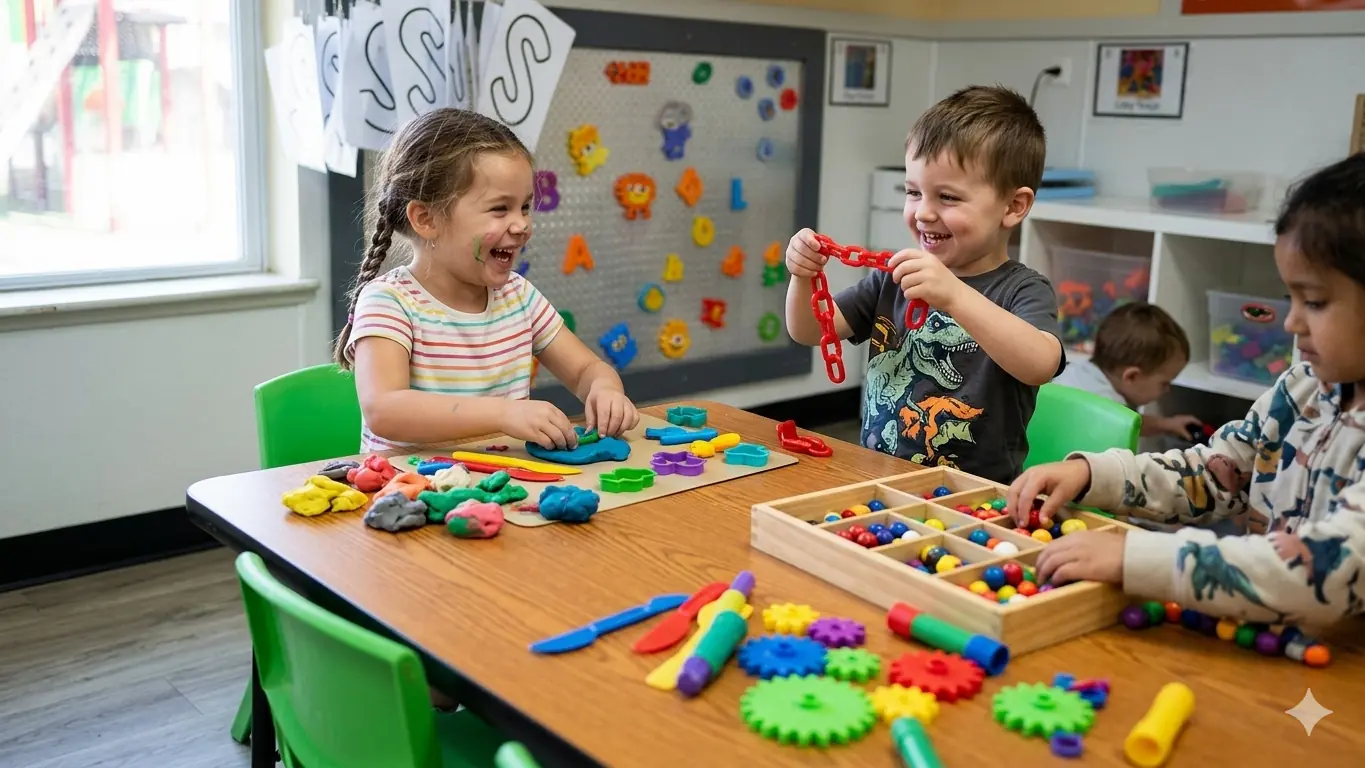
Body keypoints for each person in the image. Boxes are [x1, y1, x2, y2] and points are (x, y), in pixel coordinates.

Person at [1006, 153, 1365, 626]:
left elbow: (1321, 570)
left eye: (1315, 301)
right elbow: (1215, 473)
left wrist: (1138, 558)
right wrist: (1095, 476)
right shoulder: (1299, 390)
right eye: (1290, 298)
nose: (1291, 321)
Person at [783, 85, 1065, 484]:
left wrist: (954, 295)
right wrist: (803, 276)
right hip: (876, 482)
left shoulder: (1022, 289)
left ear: (1013, 206)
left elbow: (1040, 364)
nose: (923, 213)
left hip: (973, 500)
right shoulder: (893, 279)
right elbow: (811, 330)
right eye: (913, 192)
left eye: (947, 197)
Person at [334, 108, 639, 456]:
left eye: (524, 207)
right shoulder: (389, 303)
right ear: (426, 219)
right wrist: (503, 413)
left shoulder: (519, 297)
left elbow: (586, 369)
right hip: (409, 498)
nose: (521, 224)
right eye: (499, 209)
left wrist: (604, 389)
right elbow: (385, 410)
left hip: (503, 492)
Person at [1052, 302, 1203, 440]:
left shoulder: (1074, 370)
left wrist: (1166, 424)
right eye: (1164, 383)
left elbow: (1133, 422)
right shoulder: (1109, 417)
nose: (1167, 389)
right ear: (1131, 377)